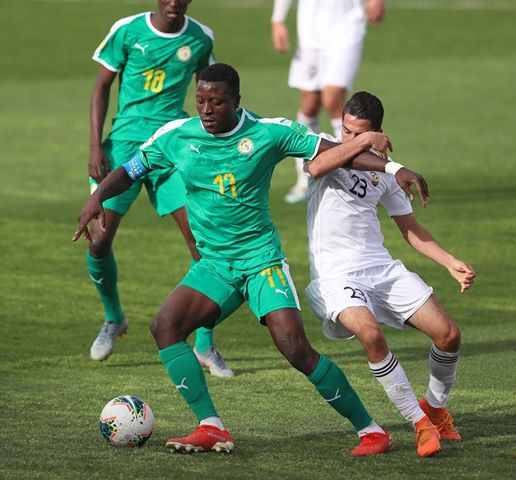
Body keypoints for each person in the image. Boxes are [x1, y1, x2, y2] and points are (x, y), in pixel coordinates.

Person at [73, 63, 428, 455]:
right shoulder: (176, 135)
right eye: (201, 100)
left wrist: (393, 168)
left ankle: (371, 430)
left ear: (236, 102)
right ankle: (211, 427)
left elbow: (336, 154)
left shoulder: (267, 132)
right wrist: (96, 197)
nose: (207, 110)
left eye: (217, 102)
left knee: (295, 348)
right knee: (166, 326)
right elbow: (130, 170)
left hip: (262, 262)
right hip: (215, 264)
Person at [305, 91, 475, 457]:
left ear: (380, 134)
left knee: (449, 335)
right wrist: (368, 150)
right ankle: (419, 423)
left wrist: (449, 262)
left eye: (361, 134)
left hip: (380, 268)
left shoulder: (384, 171)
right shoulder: (325, 151)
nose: (350, 139)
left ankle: (435, 409)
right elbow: (316, 169)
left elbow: (409, 228)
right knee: (370, 333)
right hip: (336, 275)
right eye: (347, 131)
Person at [86, 0, 233, 376]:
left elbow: (211, 93)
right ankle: (114, 318)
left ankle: (203, 343)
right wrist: (94, 145)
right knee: (99, 240)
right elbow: (101, 87)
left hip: (173, 146)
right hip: (123, 145)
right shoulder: (128, 30)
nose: (173, 2)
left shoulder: (200, 38)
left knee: (201, 244)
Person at [271, 0, 386, 203]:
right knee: (310, 103)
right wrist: (278, 19)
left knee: (333, 96)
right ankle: (304, 177)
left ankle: (351, 172)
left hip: (347, 23)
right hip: (310, 29)